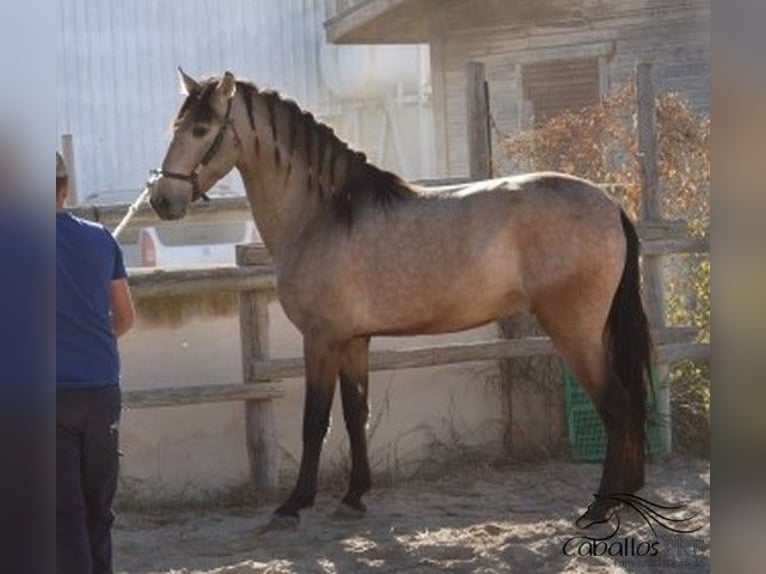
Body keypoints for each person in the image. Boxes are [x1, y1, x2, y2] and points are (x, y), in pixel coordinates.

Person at [56, 151, 135, 574]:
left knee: (62, 515)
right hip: (102, 391)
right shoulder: (100, 238)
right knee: (98, 511)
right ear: (64, 189)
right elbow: (124, 319)